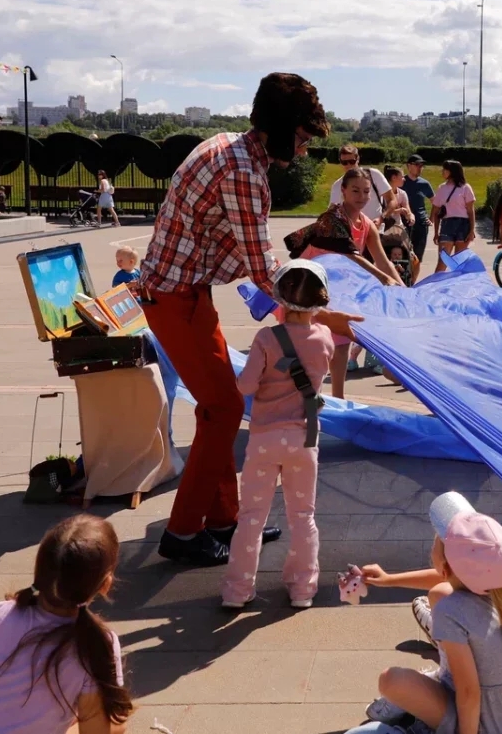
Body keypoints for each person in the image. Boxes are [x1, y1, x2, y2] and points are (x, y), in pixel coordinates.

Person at [139, 72, 361, 566]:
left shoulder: (226, 145)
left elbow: (251, 254)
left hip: (183, 293)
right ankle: (182, 533)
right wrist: (326, 317)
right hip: (175, 298)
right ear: (283, 128)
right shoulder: (244, 172)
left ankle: (225, 521)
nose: (303, 150)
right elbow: (263, 269)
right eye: (302, 137)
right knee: (221, 409)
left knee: (221, 405)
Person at [358, 492, 502, 734]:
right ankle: (445, 669)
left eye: (437, 542)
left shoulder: (450, 611)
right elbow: (452, 577)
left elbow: (469, 693)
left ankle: (430, 705)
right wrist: (389, 580)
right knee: (438, 593)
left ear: (445, 566)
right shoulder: (498, 587)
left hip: (483, 723)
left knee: (390, 681)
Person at [0, 515, 131, 734]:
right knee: (118, 722)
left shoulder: (0, 613)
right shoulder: (98, 646)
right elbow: (94, 732)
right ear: (105, 584)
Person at [221, 260, 334, 609]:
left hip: (265, 439)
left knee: (252, 518)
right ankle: (302, 590)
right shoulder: (325, 339)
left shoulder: (266, 338)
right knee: (303, 516)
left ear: (279, 297)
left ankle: (237, 592)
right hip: (304, 438)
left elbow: (246, 385)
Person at [285, 167, 405, 398]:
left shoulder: (367, 224)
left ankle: (337, 399)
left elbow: (382, 260)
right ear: (343, 191)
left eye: (366, 192)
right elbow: (351, 255)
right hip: (305, 287)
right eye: (355, 191)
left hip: (336, 290)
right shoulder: (332, 219)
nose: (361, 197)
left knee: (341, 343)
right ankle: (298, 398)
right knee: (308, 345)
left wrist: (401, 288)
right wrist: (384, 279)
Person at [330, 144, 394, 224]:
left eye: (352, 161)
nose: (349, 165)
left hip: (375, 227)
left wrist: (381, 218)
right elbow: (332, 212)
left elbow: (392, 200)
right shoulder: (337, 185)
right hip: (350, 232)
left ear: (358, 159)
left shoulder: (374, 174)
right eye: (344, 162)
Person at [431, 160, 476, 271]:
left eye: (445, 169)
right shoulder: (442, 188)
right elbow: (436, 212)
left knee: (459, 262)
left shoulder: (465, 187)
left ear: (452, 171)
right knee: (442, 261)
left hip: (463, 225)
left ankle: (457, 287)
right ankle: (436, 286)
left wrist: (471, 230)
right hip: (447, 225)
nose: (442, 172)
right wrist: (436, 233)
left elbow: (471, 211)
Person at [401, 154, 436, 278]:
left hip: (421, 225)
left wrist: (430, 218)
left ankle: (413, 285)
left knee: (417, 257)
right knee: (401, 255)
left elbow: (436, 203)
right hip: (402, 224)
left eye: (422, 166)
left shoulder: (424, 184)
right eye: (417, 165)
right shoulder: (401, 182)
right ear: (409, 166)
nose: (420, 168)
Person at [381, 165, 415, 231]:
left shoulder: (402, 193)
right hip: (383, 230)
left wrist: (411, 217)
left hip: (398, 229)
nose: (404, 179)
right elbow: (381, 213)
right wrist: (398, 211)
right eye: (402, 177)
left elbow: (408, 211)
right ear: (394, 177)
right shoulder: (381, 194)